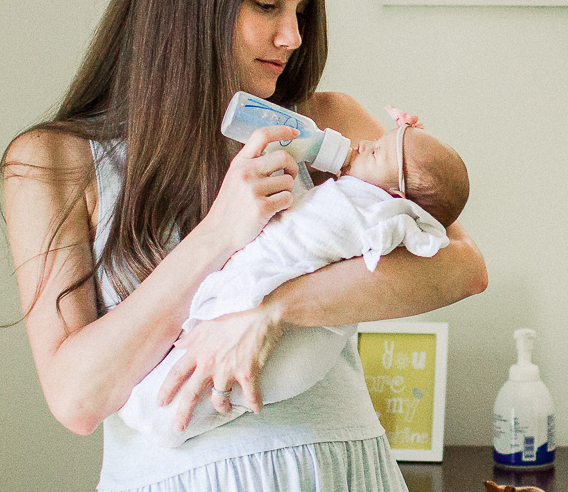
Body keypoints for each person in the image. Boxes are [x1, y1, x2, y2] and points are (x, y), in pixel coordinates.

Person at [0, 0, 487, 492]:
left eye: (300, 10)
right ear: (186, 1)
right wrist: (220, 235)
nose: (291, 35)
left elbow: (460, 266)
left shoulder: (325, 122)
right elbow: (76, 397)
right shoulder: (52, 163)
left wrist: (274, 308)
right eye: (267, 5)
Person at [119, 113, 471, 447]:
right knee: (204, 363)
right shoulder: (356, 192)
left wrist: (268, 307)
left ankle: (161, 417)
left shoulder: (371, 211)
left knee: (226, 380)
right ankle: (159, 414)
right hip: (271, 283)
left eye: (376, 151)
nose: (362, 145)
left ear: (397, 196)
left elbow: (319, 231)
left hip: (302, 329)